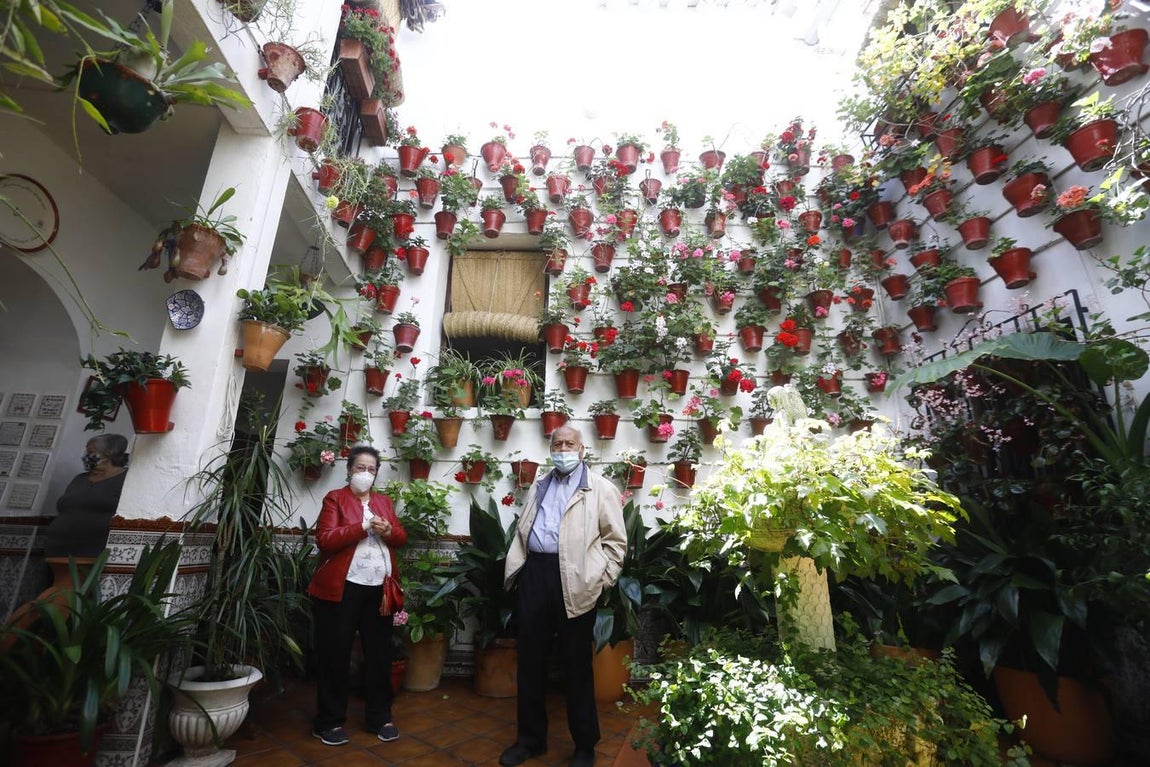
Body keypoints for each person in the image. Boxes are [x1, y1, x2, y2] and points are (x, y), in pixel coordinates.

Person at [499, 425, 627, 767]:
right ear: (551, 449)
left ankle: (585, 745)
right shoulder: (540, 485)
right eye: (558, 444)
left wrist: (601, 581)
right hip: (536, 575)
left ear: (582, 450)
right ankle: (530, 740)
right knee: (530, 663)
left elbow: (616, 543)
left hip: (576, 579)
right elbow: (526, 530)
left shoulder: (599, 488)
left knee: (576, 666)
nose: (563, 449)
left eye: (570, 443)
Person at [307, 445, 407, 747]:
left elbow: (401, 538)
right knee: (334, 654)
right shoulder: (335, 499)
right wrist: (363, 527)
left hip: (380, 589)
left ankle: (379, 717)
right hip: (343, 589)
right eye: (360, 468)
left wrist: (388, 529)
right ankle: (329, 721)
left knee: (379, 654)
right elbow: (325, 539)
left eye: (371, 469)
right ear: (349, 469)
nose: (366, 474)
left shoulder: (384, 502)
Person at [43, 433, 129, 558]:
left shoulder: (125, 480)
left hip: (94, 552)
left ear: (109, 454)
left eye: (91, 453)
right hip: (57, 550)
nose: (86, 457)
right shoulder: (79, 479)